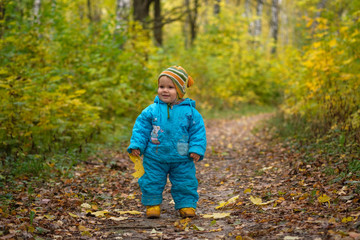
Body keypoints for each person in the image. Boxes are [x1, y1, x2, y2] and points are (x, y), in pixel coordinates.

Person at [127, 66, 207, 218]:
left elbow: (197, 132)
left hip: (182, 157)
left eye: (170, 87)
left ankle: (186, 205)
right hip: (155, 156)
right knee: (151, 181)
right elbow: (141, 129)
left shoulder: (190, 112)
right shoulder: (151, 110)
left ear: (180, 91)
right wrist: (137, 145)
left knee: (185, 182)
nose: (164, 90)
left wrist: (196, 148)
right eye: (161, 86)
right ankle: (152, 204)